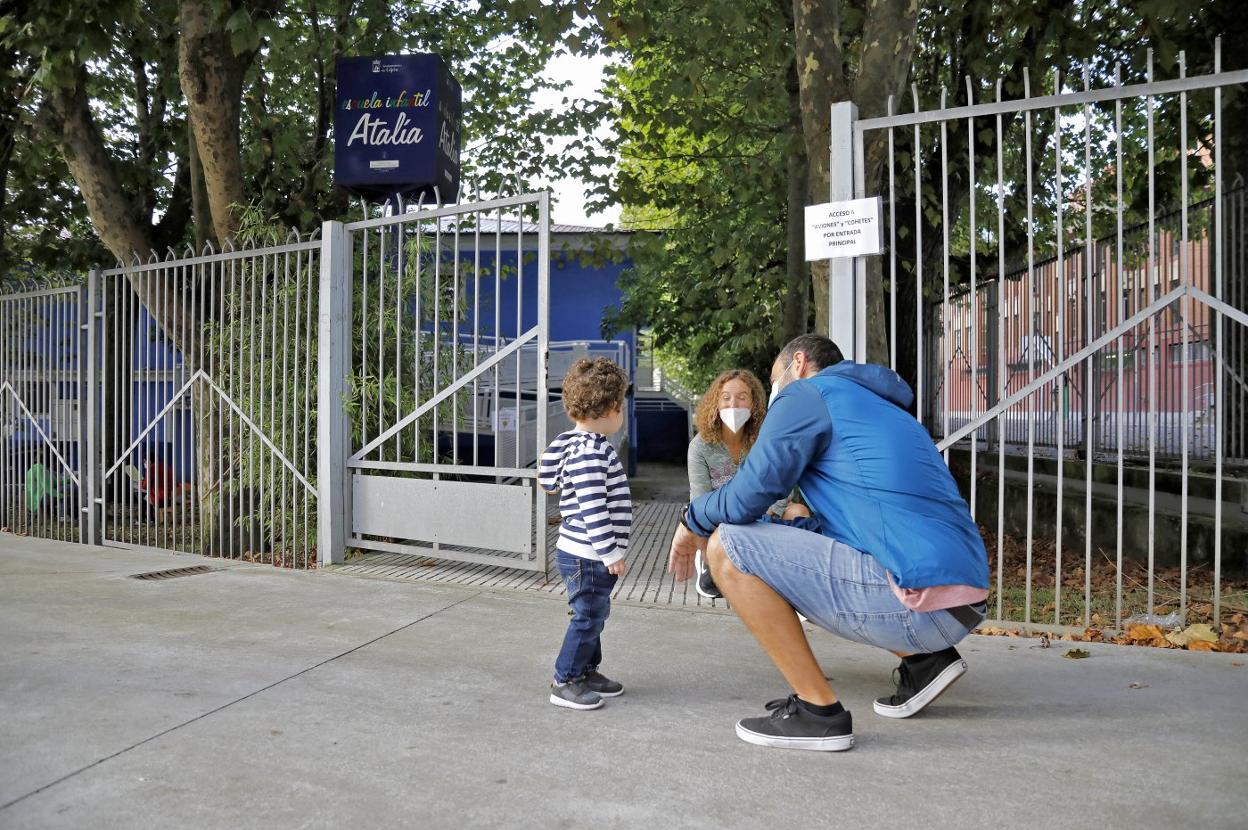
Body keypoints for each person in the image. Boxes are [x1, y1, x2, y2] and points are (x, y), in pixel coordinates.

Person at [668, 334, 989, 751]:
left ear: (797, 363)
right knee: (782, 538)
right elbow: (854, 524)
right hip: (961, 601)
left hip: (919, 602)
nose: (777, 391)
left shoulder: (806, 394)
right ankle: (925, 663)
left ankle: (819, 713)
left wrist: (691, 520)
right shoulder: (874, 403)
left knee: (728, 545)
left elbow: (748, 495)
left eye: (774, 379)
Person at [539, 357, 633, 711]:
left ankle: (587, 671)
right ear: (610, 408)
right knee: (588, 616)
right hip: (590, 555)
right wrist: (610, 554)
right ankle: (565, 679)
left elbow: (546, 480)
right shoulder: (593, 452)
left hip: (575, 550)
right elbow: (594, 509)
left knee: (593, 611)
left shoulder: (569, 442)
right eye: (621, 406)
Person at [686, 369, 810, 599]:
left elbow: (783, 483)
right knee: (691, 517)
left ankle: (792, 576)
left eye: (742, 397)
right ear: (715, 403)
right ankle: (709, 563)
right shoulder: (700, 447)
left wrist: (773, 510)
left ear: (754, 403)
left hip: (764, 516)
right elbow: (700, 501)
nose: (734, 404)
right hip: (720, 522)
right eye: (726, 397)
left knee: (798, 511)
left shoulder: (765, 440)